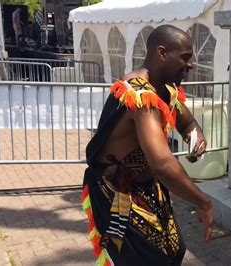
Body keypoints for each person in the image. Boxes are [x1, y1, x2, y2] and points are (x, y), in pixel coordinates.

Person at [83, 25, 213, 265]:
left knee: (174, 251)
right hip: (119, 194)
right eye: (185, 58)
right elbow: (162, 163)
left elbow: (188, 123)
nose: (191, 65)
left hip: (149, 189)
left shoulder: (165, 90)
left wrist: (197, 139)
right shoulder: (139, 95)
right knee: (149, 259)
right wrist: (203, 201)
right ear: (161, 53)